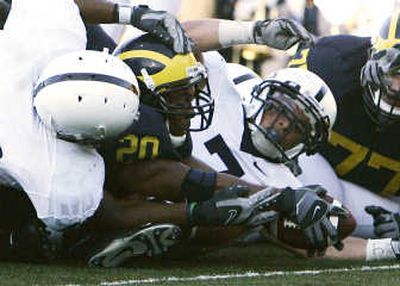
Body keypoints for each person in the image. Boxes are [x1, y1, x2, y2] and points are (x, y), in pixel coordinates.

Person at [287, 12, 400, 246]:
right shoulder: (330, 64)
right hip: (316, 181)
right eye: (394, 69)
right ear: (372, 54)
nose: (397, 87)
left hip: (385, 204)